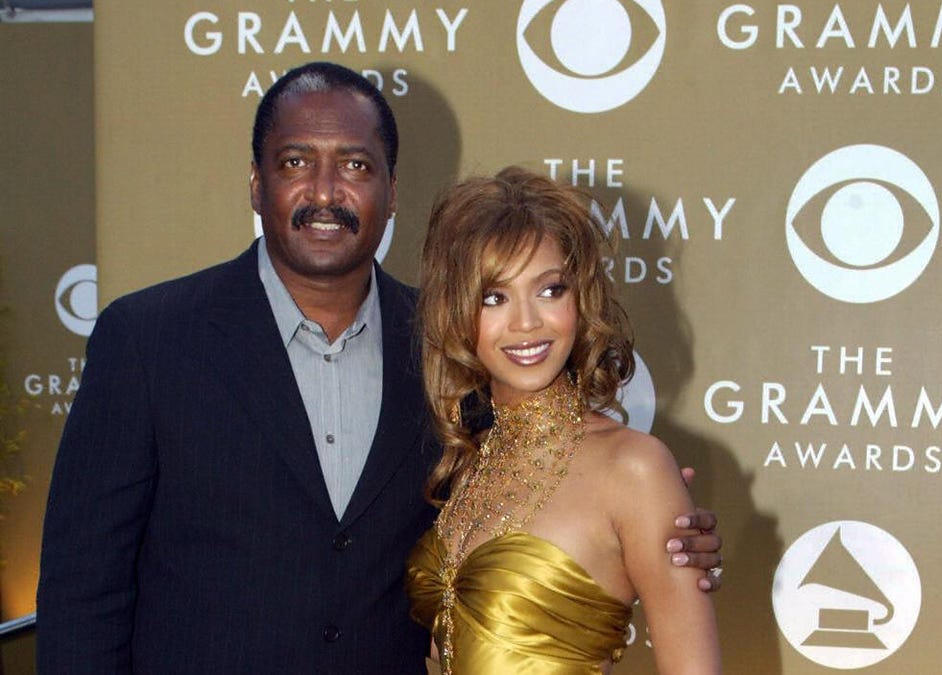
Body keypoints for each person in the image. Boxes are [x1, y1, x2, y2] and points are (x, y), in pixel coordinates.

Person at [36, 62, 720, 674]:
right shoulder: (148, 339)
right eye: (297, 161)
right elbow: (81, 587)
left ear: (393, 191)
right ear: (255, 181)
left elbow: (569, 500)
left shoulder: (446, 351)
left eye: (356, 165)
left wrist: (664, 536)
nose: (326, 191)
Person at [407, 167, 721, 674]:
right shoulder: (470, 461)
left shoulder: (634, 467)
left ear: (581, 297)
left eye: (550, 289)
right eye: (494, 297)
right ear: (457, 312)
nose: (527, 321)